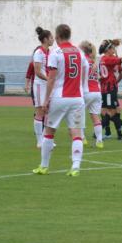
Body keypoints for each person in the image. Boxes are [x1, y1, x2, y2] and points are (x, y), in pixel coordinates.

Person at [33, 24, 89, 177]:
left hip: (59, 97)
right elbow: (85, 70)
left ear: (57, 37)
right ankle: (75, 167)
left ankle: (44, 166)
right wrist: (83, 89)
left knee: (49, 132)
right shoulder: (79, 52)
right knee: (76, 133)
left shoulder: (56, 52)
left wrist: (45, 101)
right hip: (77, 99)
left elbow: (51, 79)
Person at [99, 39, 122, 140]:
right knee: (107, 112)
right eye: (112, 48)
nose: (113, 49)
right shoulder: (108, 59)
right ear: (108, 49)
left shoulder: (103, 59)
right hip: (108, 88)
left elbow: (119, 67)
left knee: (110, 111)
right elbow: (121, 61)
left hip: (109, 88)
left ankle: (117, 132)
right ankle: (120, 127)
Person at [31, 27, 54, 148]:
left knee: (48, 112)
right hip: (40, 85)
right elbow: (38, 71)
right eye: (51, 38)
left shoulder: (50, 52)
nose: (53, 40)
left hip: (48, 85)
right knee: (40, 111)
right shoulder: (38, 53)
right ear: (45, 39)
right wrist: (49, 79)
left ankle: (46, 139)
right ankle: (39, 140)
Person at [80, 41, 104, 149]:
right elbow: (98, 76)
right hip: (97, 92)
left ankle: (82, 137)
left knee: (79, 114)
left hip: (86, 91)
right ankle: (99, 140)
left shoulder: (82, 60)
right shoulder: (95, 61)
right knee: (95, 117)